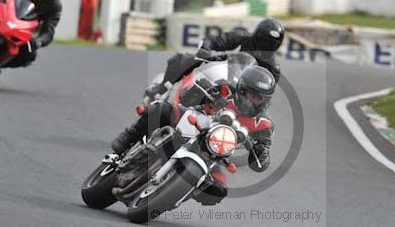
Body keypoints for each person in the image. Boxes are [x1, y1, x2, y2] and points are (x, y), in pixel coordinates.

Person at [112, 66, 276, 205]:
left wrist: (261, 153)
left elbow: (262, 162)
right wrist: (201, 90)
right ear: (241, 88)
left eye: (258, 98)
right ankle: (126, 139)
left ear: (266, 101)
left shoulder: (264, 124)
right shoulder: (225, 89)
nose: (252, 101)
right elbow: (185, 99)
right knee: (159, 109)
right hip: (190, 124)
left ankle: (176, 192)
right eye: (250, 94)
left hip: (213, 154)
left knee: (218, 190)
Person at [143, 18, 285, 102]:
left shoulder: (273, 69)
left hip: (243, 91)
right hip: (224, 66)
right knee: (186, 59)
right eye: (263, 42)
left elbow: (266, 94)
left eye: (269, 45)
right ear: (256, 35)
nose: (264, 48)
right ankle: (162, 87)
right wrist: (205, 50)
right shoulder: (242, 37)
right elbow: (215, 41)